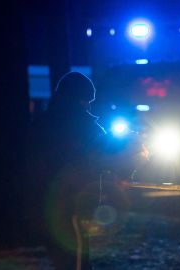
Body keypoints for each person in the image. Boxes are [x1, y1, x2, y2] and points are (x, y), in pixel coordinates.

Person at [24, 71, 107, 270]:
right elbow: (105, 156)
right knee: (77, 255)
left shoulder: (41, 124)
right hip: (77, 201)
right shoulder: (86, 126)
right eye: (86, 100)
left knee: (65, 257)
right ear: (81, 99)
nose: (88, 106)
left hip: (46, 202)